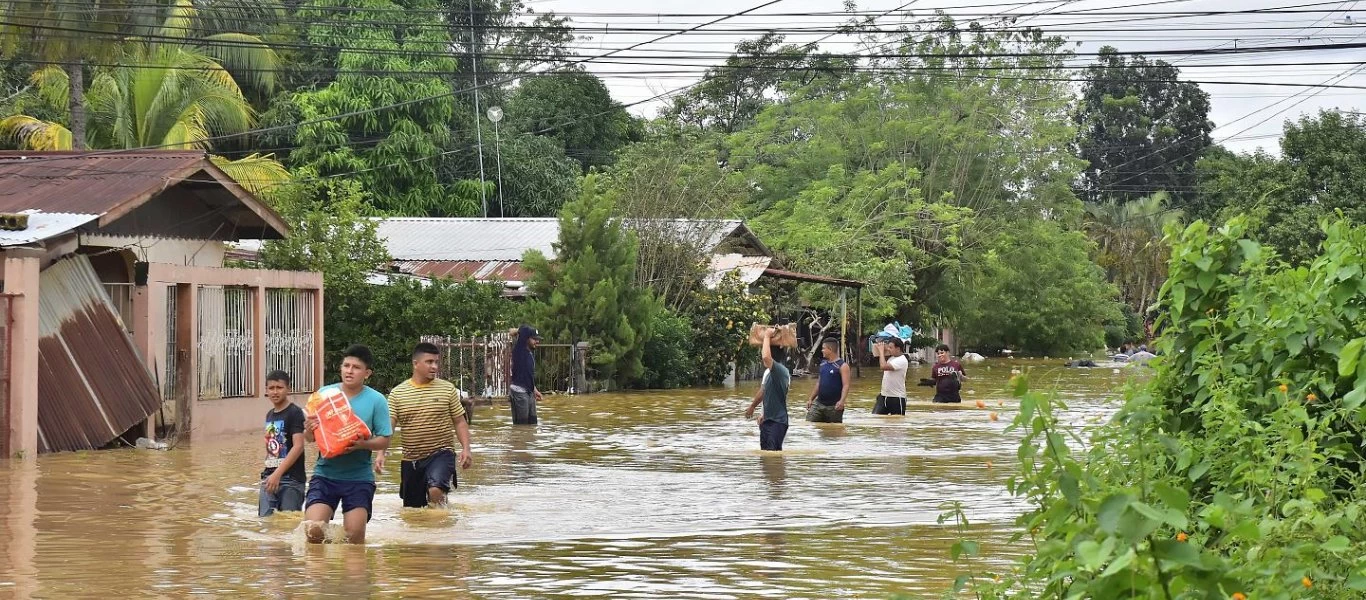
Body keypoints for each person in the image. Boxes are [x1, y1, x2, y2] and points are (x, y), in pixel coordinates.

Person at [303, 345, 392, 544]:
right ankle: (321, 572)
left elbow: (385, 439)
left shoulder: (377, 400)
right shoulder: (324, 395)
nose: (349, 371)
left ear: (367, 373)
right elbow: (309, 438)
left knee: (354, 537)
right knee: (313, 530)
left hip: (358, 478)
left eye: (356, 367)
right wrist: (309, 428)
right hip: (325, 474)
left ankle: (350, 574)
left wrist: (363, 445)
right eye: (346, 365)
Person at [379, 342, 474, 509]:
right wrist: (381, 453)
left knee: (435, 490)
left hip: (441, 453)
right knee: (413, 512)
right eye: (429, 362)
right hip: (411, 459)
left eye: (436, 362)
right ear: (416, 364)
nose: (434, 366)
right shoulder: (398, 393)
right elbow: (389, 426)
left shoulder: (447, 389)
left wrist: (466, 449)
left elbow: (459, 421)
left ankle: (442, 526)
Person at [259, 370, 306, 517]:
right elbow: (274, 448)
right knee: (265, 521)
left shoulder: (295, 412)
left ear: (288, 389)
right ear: (266, 390)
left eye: (279, 387)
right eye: (271, 388)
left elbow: (298, 446)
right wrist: (270, 474)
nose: (275, 392)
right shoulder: (270, 414)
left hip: (291, 480)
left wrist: (278, 474)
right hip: (269, 478)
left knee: (288, 524)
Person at [745, 328, 790, 451]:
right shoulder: (768, 372)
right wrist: (756, 408)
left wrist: (766, 336)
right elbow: (764, 391)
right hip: (767, 420)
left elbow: (766, 358)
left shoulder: (781, 371)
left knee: (772, 457)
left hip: (777, 421)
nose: (762, 352)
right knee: (766, 458)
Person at [806, 338, 850, 423]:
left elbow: (846, 385)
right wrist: (811, 399)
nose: (822, 350)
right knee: (809, 424)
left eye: (823, 348)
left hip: (834, 406)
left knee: (833, 431)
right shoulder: (823, 363)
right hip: (818, 404)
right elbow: (819, 383)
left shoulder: (842, 366)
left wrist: (842, 401)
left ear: (830, 349)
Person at [509, 325, 543, 425]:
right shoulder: (519, 350)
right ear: (526, 338)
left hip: (529, 392)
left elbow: (528, 375)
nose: (537, 342)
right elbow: (523, 330)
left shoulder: (529, 354)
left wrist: (534, 390)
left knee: (533, 424)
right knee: (522, 426)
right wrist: (517, 331)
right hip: (519, 392)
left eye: (538, 339)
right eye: (534, 339)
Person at [873, 337, 909, 415]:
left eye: (891, 347)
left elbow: (883, 366)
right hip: (884, 396)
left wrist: (881, 351)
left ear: (898, 349)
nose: (888, 349)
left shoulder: (902, 360)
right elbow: (876, 354)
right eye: (888, 347)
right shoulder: (891, 358)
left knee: (896, 424)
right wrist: (882, 347)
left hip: (896, 398)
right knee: (875, 418)